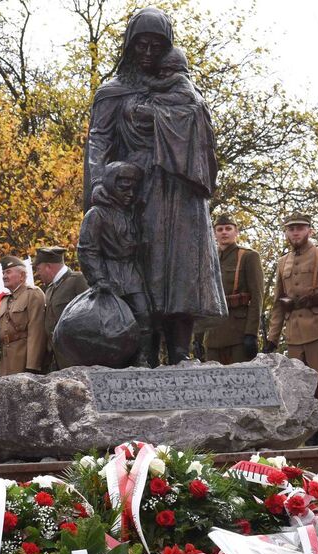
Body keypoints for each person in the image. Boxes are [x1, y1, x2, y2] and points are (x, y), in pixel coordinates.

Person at [84, 6, 226, 364]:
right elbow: (99, 140)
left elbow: (202, 132)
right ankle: (141, 353)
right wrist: (99, 184)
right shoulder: (113, 92)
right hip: (136, 188)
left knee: (183, 267)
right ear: (129, 45)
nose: (148, 52)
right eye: (141, 45)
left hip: (181, 187)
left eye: (156, 45)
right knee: (143, 268)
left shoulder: (183, 86)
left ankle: (180, 352)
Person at [266, 212, 318, 445]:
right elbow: (278, 303)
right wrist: (272, 338)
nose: (295, 233)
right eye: (291, 229)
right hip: (294, 334)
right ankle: (309, 438)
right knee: (301, 390)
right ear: (286, 232)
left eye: (300, 228)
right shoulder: (282, 262)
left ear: (309, 230)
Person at [78, 161, 152, 367]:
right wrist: (98, 278)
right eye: (124, 188)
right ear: (111, 185)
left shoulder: (133, 212)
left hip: (132, 272)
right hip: (109, 272)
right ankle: (115, 362)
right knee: (112, 323)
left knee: (143, 316)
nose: (130, 194)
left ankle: (142, 360)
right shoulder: (97, 214)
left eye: (133, 189)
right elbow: (87, 249)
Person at [194, 214, 263, 365]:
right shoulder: (208, 260)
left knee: (242, 378)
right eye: (220, 229)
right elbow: (202, 301)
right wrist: (198, 338)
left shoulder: (248, 256)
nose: (224, 232)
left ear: (236, 232)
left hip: (238, 334)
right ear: (214, 233)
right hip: (212, 335)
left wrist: (251, 334)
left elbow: (257, 298)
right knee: (213, 379)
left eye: (228, 228)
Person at [0, 256, 47, 375]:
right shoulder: (4, 300)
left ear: (22, 275)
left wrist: (32, 366)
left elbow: (37, 331)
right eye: (3, 273)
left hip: (24, 360)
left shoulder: (33, 294)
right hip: (6, 363)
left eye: (8, 272)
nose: (4, 276)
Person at [34, 247, 88, 372]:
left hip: (77, 356)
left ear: (48, 267)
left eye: (39, 269)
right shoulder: (49, 289)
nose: (37, 273)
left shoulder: (78, 280)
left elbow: (90, 315)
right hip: (58, 358)